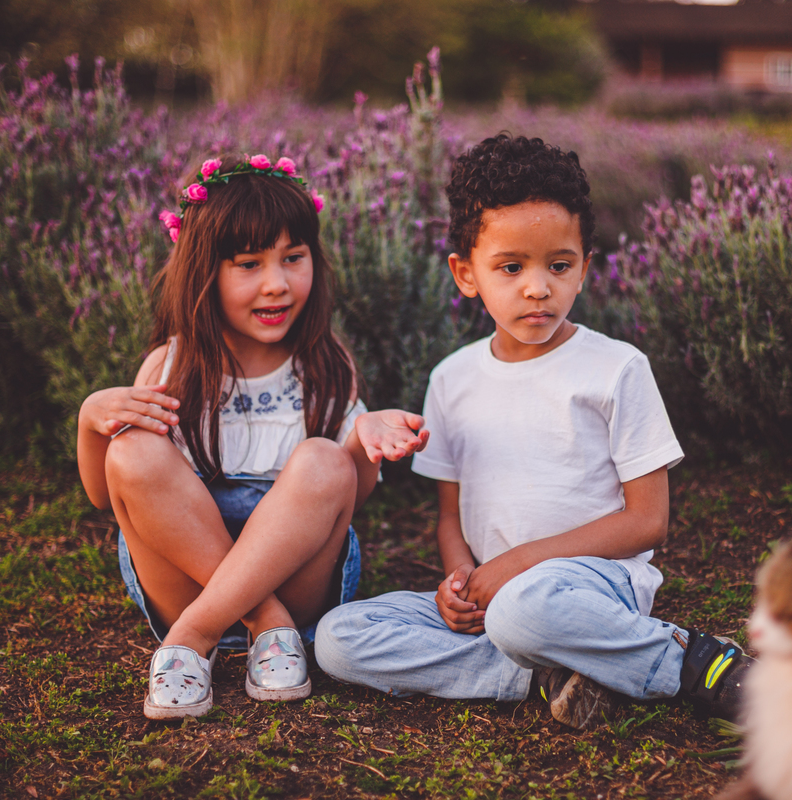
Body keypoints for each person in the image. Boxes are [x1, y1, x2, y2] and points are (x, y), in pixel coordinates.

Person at [315, 135, 755, 730]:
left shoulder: (616, 368)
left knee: (525, 609)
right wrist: (459, 584)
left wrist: (519, 564)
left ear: (585, 268)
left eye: (559, 265)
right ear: (466, 274)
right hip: (496, 595)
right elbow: (451, 516)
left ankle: (695, 662)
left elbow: (647, 522)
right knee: (339, 638)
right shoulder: (452, 380)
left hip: (588, 587)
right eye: (511, 267)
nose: (538, 287)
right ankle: (541, 675)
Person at [77, 154, 428, 719]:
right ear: (205, 273)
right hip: (184, 579)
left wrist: (362, 441)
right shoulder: (171, 367)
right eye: (249, 264)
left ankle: (192, 638)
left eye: (294, 258)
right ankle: (264, 620)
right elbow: (106, 494)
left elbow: (346, 500)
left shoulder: (325, 365)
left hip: (297, 580)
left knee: (322, 458)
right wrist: (89, 420)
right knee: (134, 447)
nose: (278, 284)